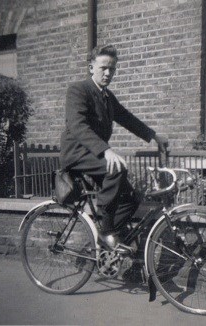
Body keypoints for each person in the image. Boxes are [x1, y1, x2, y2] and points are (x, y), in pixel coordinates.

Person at [60, 45, 167, 250]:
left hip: (93, 153)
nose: (108, 73)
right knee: (116, 168)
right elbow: (77, 126)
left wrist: (153, 135)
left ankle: (107, 237)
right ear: (91, 67)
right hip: (77, 153)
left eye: (112, 69)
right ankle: (106, 231)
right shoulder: (78, 90)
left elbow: (126, 117)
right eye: (103, 68)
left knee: (132, 198)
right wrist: (106, 151)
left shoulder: (107, 96)